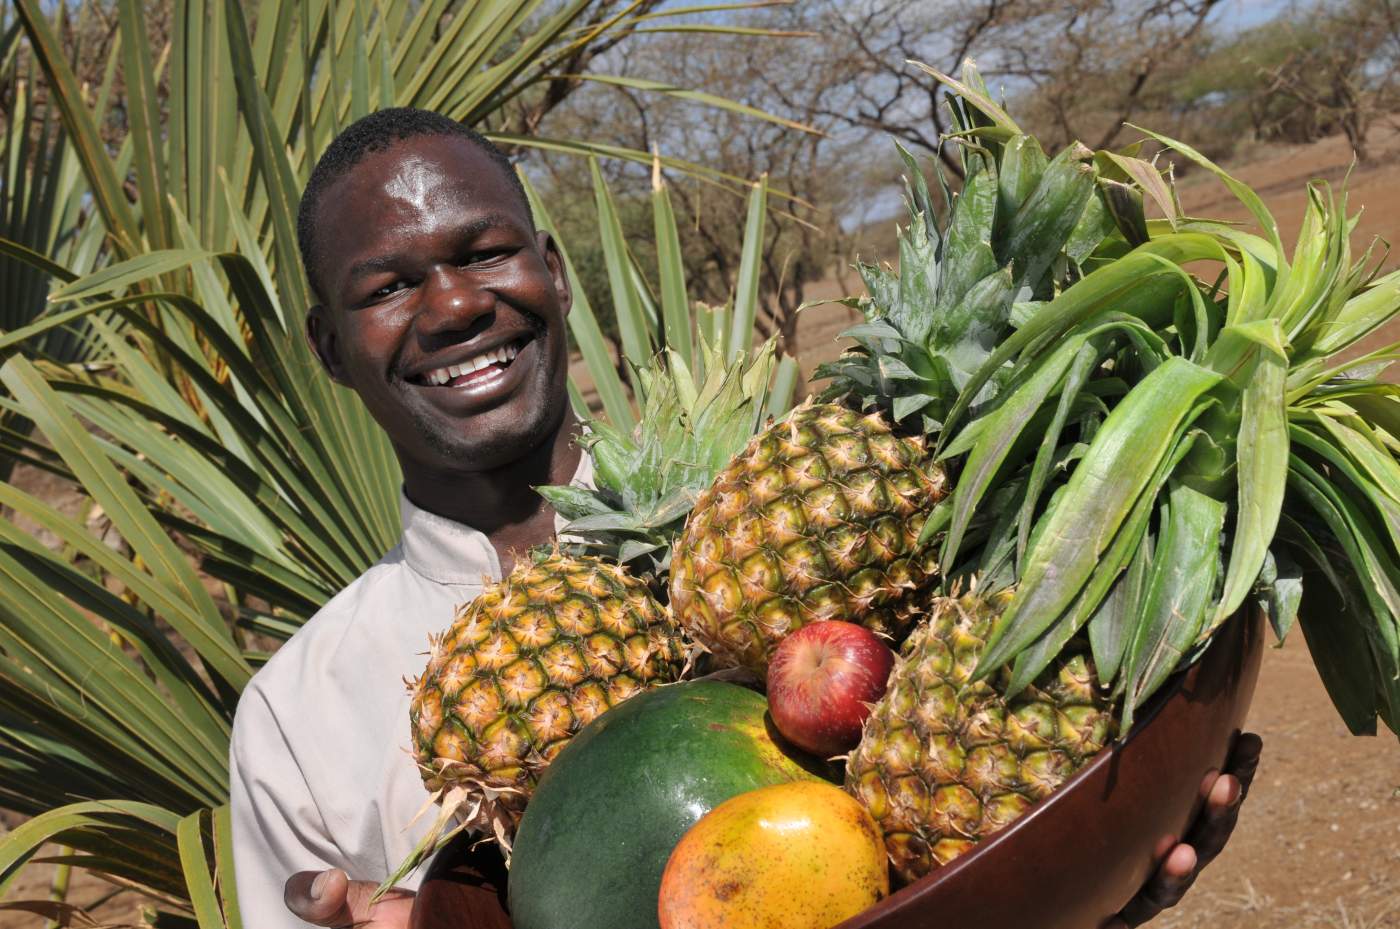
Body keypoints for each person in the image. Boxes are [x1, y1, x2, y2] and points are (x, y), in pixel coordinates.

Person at [229, 108, 1263, 929]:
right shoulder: (294, 717)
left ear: (551, 265)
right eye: (391, 284)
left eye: (485, 252)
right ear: (328, 346)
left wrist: (1084, 875)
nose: (453, 304)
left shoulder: (810, 530)